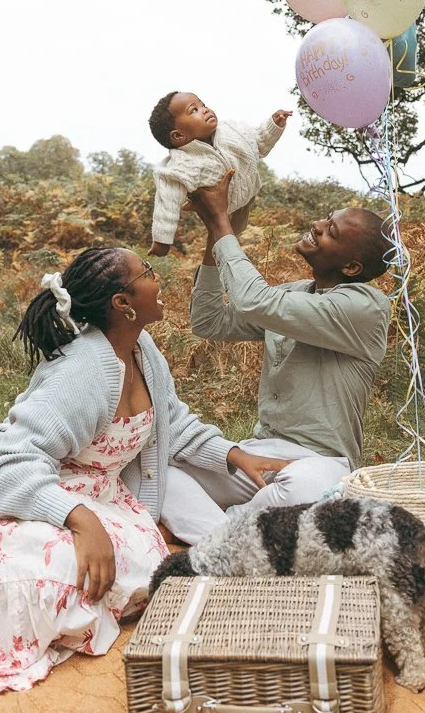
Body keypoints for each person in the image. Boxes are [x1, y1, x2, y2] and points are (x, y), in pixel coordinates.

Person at [0, 246, 289, 704]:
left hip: (86, 493)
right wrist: (81, 522)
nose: (157, 276)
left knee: (139, 579)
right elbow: (11, 465)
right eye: (147, 271)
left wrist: (233, 455)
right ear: (122, 304)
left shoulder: (141, 348)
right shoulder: (82, 372)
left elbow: (171, 421)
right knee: (68, 580)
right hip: (2, 492)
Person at [160, 171, 392, 542]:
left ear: (351, 268)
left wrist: (223, 223)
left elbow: (254, 300)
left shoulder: (365, 308)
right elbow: (210, 321)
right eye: (326, 218)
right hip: (260, 455)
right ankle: (234, 536)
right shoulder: (296, 293)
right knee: (157, 468)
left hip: (320, 463)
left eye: (331, 231)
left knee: (304, 492)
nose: (317, 225)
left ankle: (219, 535)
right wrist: (214, 236)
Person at [147, 90, 291, 257]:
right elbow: (167, 203)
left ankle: (216, 269)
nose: (205, 109)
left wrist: (273, 125)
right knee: (221, 246)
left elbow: (258, 142)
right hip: (218, 209)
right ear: (178, 135)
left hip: (247, 196)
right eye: (194, 110)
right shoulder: (181, 164)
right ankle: (211, 276)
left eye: (203, 105)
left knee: (232, 238)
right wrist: (161, 241)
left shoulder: (232, 131)